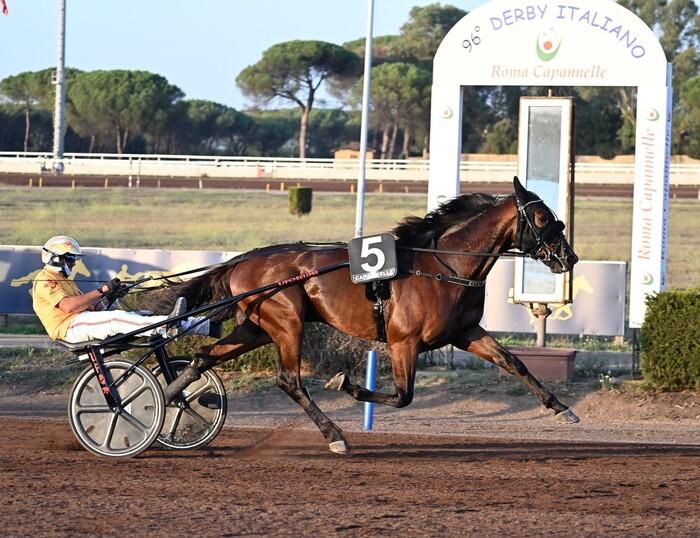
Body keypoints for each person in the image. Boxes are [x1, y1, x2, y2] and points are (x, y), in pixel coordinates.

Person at [32, 235, 218, 343]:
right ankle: (166, 326)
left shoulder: (65, 281)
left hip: (80, 322)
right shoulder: (46, 279)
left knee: (143, 314)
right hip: (68, 328)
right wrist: (103, 290)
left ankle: (205, 324)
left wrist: (111, 296)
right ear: (57, 258)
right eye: (71, 259)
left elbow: (95, 310)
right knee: (117, 318)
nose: (73, 263)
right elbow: (69, 307)